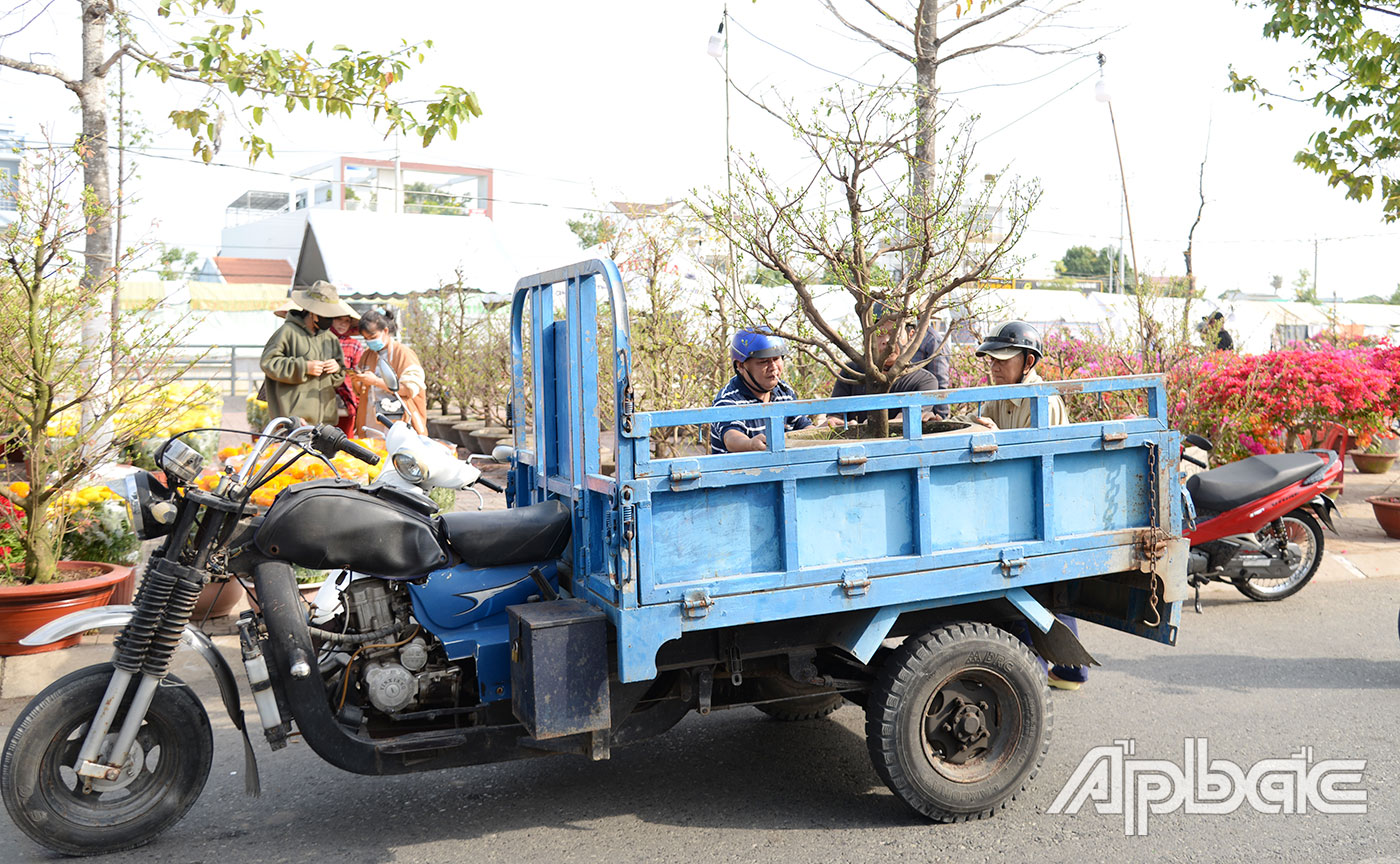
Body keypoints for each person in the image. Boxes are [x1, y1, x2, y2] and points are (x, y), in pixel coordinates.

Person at [972, 321, 1085, 690]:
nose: (994, 366)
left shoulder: (1043, 400)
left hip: (1044, 503)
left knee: (1032, 590)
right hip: (1017, 503)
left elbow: (1038, 460)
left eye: (1003, 359)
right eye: (991, 359)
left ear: (1028, 362)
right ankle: (1069, 671)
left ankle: (1034, 676)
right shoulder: (997, 395)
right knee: (1042, 590)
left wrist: (996, 439)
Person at [710, 327, 833, 453]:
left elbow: (802, 427)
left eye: (776, 359)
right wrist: (750, 444)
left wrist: (823, 431)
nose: (773, 367)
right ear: (740, 366)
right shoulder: (728, 400)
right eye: (763, 361)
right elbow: (731, 438)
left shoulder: (784, 392)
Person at [830, 305, 950, 422]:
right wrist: (836, 423)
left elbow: (904, 421)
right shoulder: (851, 372)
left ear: (911, 335)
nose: (886, 341)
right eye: (879, 334)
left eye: (894, 334)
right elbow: (835, 418)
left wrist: (869, 426)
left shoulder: (924, 381)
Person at [258, 281, 351, 426]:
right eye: (325, 315)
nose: (329, 320)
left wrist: (337, 368)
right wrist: (304, 367)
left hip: (325, 420)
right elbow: (269, 362)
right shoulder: (287, 332)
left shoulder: (330, 339)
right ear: (312, 312)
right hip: (295, 419)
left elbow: (339, 376)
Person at [350, 308, 428, 435]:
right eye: (366, 338)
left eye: (372, 337)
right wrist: (357, 380)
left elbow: (408, 390)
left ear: (385, 331)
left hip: (399, 422)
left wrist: (375, 381)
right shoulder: (367, 355)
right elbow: (361, 392)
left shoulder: (403, 353)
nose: (370, 341)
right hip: (371, 421)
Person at [327, 310, 363, 437]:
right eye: (339, 319)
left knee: (345, 439)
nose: (343, 324)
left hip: (346, 399)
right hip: (322, 397)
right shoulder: (321, 341)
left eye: (347, 321)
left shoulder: (354, 345)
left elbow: (358, 375)